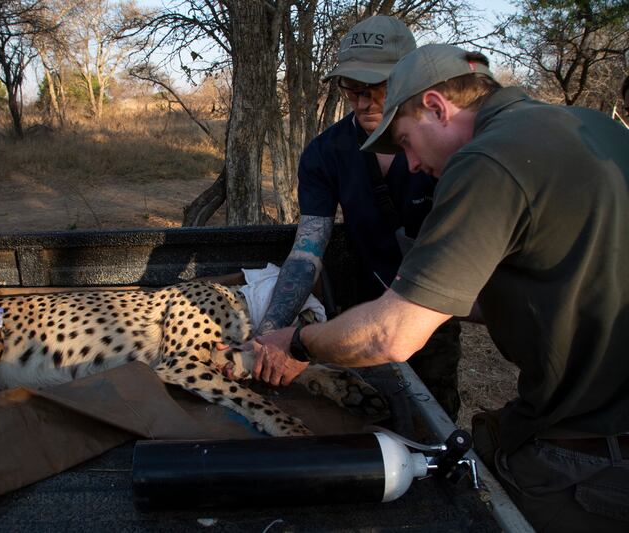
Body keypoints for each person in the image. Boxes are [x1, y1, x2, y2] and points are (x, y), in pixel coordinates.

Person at [253, 43, 629, 531]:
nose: (410, 163)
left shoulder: (488, 159)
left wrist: (298, 343)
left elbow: (389, 336)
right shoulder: (595, 128)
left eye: (406, 140)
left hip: (592, 454)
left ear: (436, 106)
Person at [254, 15, 463, 420]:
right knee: (362, 415)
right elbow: (307, 249)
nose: (366, 102)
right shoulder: (326, 152)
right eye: (352, 88)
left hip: (431, 307)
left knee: (432, 416)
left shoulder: (448, 145)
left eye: (380, 88)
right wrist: (270, 333)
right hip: (360, 309)